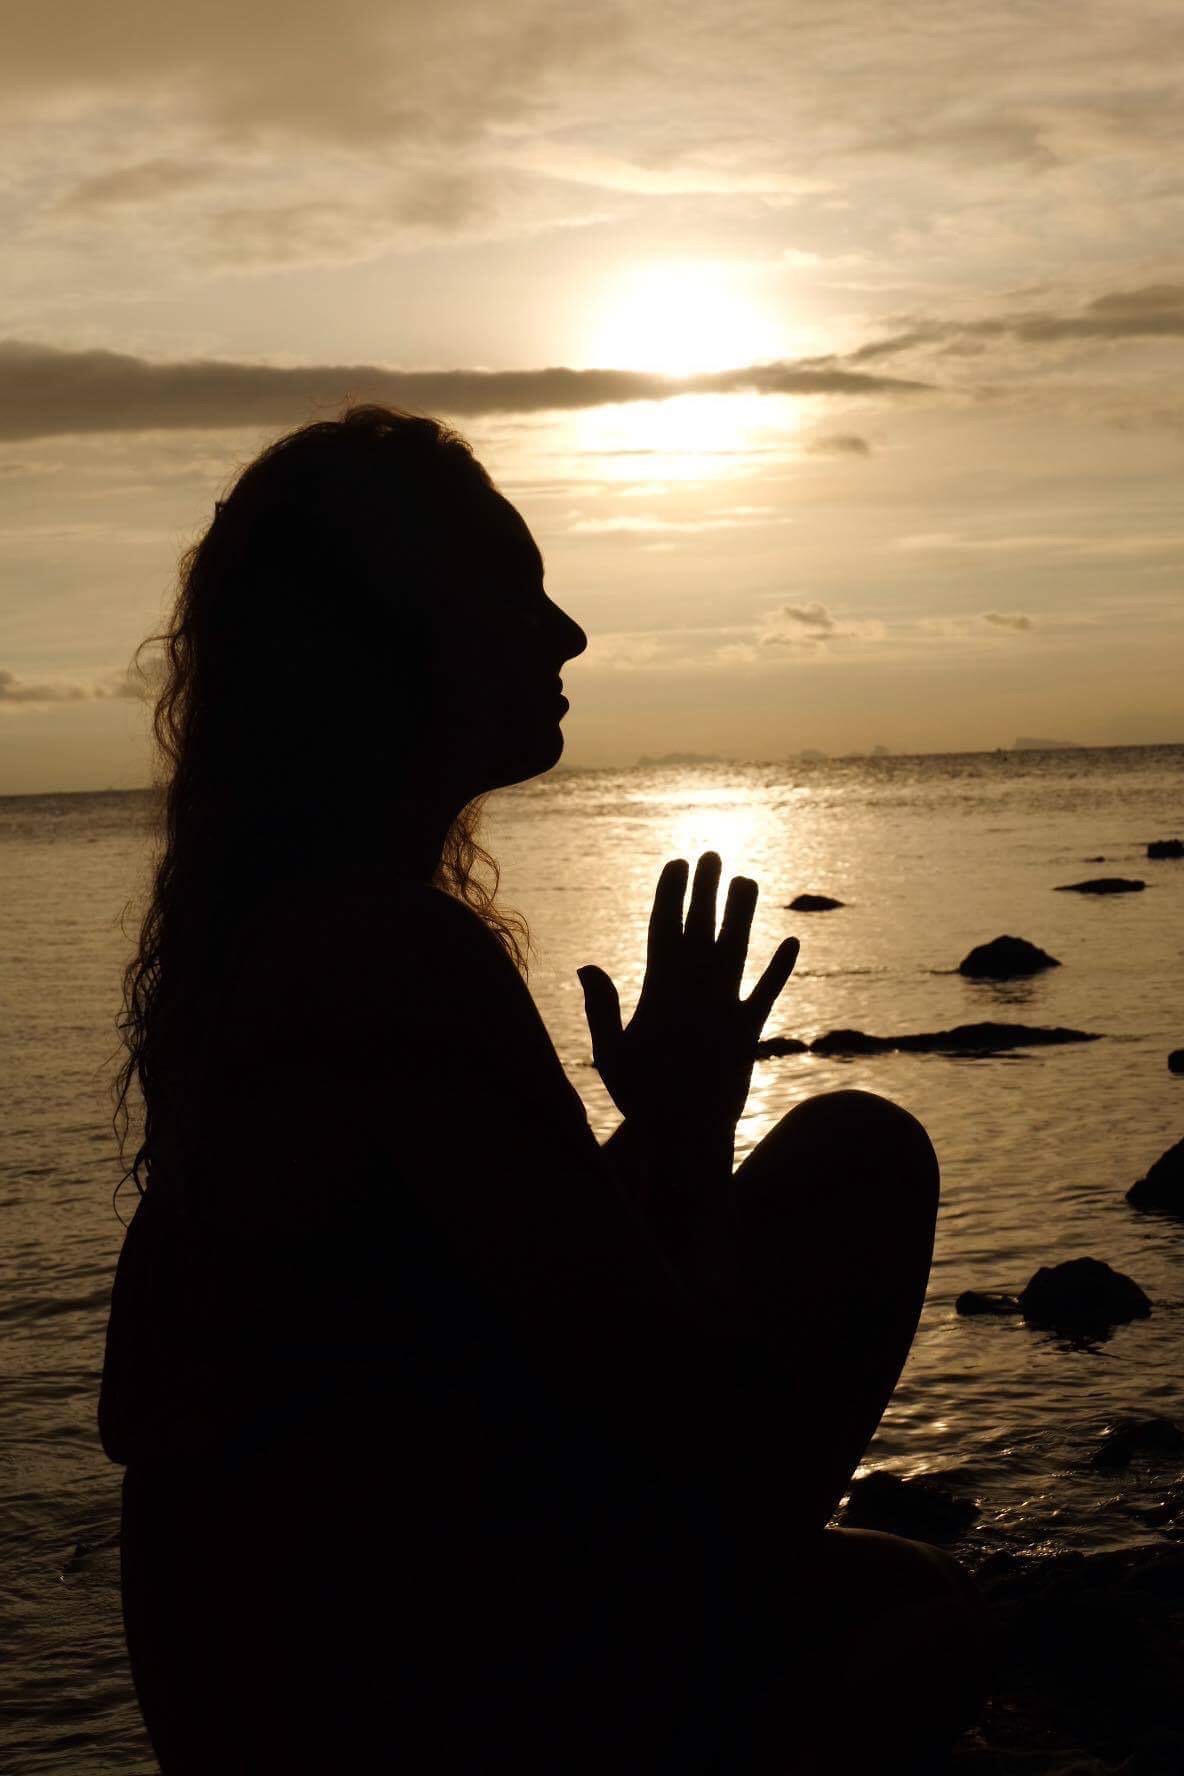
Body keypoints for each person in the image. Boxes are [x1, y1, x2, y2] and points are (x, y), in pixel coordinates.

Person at [100, 404, 990, 1774]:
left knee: (840, 1164)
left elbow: (470, 1303)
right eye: (517, 592)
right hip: (366, 1689)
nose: (568, 634)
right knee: (910, 1588)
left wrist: (649, 1132)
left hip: (279, 1657)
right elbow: (665, 1393)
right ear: (399, 644)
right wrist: (688, 1135)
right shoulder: (387, 951)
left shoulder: (283, 934)